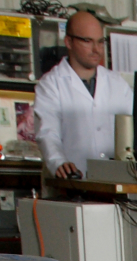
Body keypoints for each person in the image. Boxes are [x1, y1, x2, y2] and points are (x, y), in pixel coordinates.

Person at [34, 10, 131, 179]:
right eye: (87, 41)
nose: (96, 49)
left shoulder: (117, 84)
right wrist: (59, 162)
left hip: (114, 181)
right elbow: (48, 134)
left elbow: (136, 130)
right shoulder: (51, 84)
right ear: (69, 42)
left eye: (100, 42)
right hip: (72, 182)